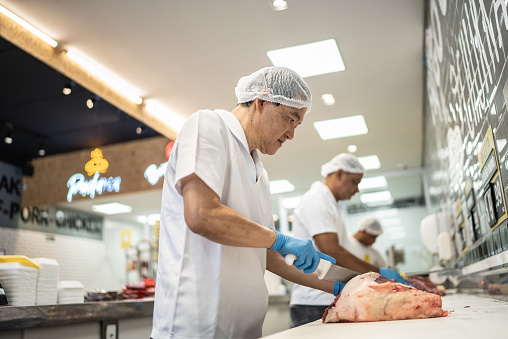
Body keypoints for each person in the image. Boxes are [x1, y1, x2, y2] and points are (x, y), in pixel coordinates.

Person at [151, 67, 343, 339]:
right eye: (290, 119)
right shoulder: (208, 125)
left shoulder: (260, 173)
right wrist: (278, 239)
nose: (291, 135)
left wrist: (341, 282)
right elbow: (201, 214)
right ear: (261, 102)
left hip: (246, 330)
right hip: (195, 328)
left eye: (297, 125)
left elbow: (268, 254)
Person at [289, 153, 406, 327]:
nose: (357, 189)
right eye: (355, 182)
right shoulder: (317, 198)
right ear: (339, 174)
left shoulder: (330, 203)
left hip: (326, 296)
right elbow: (332, 250)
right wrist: (377, 274)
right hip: (313, 301)